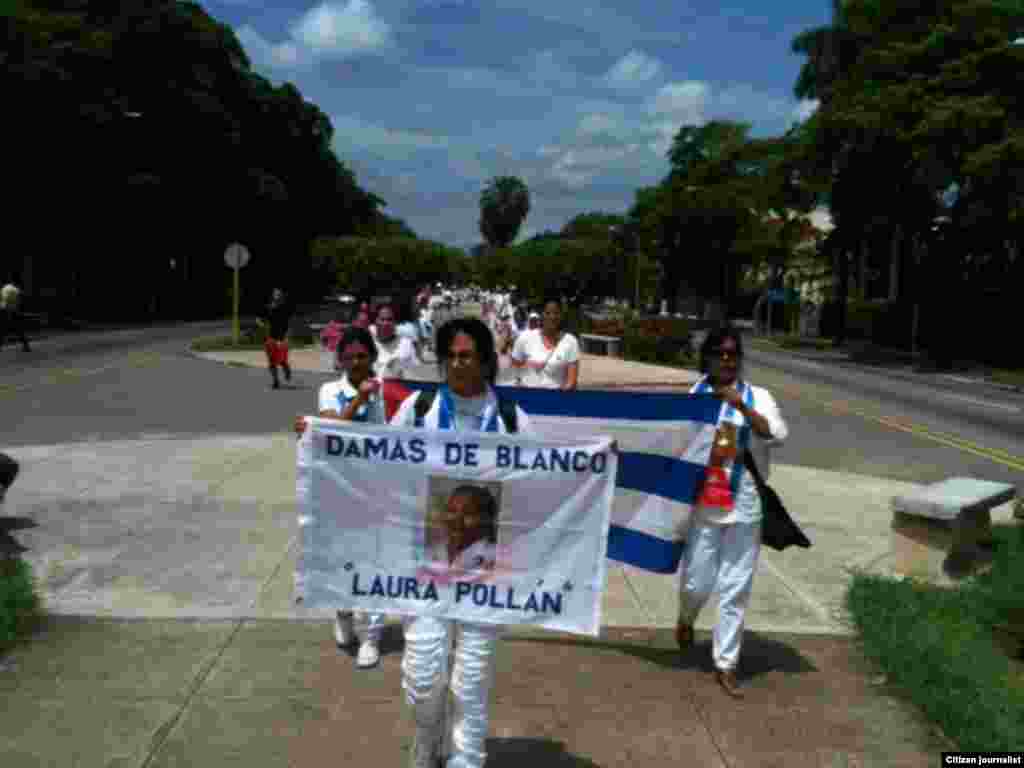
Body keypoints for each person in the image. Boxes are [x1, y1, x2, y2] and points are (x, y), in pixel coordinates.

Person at [390, 316, 533, 768]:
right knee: (423, 677)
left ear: (486, 360)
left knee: (471, 680)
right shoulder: (419, 408)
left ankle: (467, 757)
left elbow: (546, 478)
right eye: (450, 355)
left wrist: (594, 463)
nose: (456, 364)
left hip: (487, 570)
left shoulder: (512, 419)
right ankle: (428, 737)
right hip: (427, 564)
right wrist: (322, 440)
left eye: (466, 355)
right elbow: (377, 463)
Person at [676, 323, 789, 699]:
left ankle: (726, 663)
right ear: (707, 358)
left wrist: (740, 405)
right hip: (705, 503)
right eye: (719, 353)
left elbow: (776, 434)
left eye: (732, 354)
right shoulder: (695, 395)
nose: (726, 360)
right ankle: (687, 617)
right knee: (697, 581)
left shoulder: (758, 396)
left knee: (734, 588)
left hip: (745, 503)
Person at [294, 326, 389, 668]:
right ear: (341, 360)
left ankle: (372, 636)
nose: (356, 362)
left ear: (372, 357)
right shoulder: (330, 390)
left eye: (362, 355)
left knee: (375, 560)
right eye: (349, 357)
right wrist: (362, 398)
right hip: (338, 488)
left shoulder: (386, 390)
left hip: (376, 489)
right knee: (341, 559)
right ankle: (344, 615)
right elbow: (334, 426)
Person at [509, 297, 580, 390]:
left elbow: (572, 382)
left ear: (561, 315)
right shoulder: (524, 338)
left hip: (556, 401)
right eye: (548, 313)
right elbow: (513, 374)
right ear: (541, 315)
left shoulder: (571, 342)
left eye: (556, 313)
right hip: (527, 399)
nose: (552, 317)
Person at [426, 485, 498, 571]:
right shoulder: (435, 550)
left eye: (468, 513)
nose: (457, 519)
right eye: (451, 511)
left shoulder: (493, 558)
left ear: (485, 519)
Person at [374, 304, 417, 379]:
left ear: (395, 322)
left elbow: (412, 376)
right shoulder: (368, 343)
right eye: (382, 319)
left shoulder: (405, 344)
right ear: (376, 321)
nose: (386, 323)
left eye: (389, 319)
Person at [261, 288, 292, 390]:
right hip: (271, 338)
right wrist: (261, 324)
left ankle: (286, 369)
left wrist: (287, 337)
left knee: (282, 360)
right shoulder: (269, 307)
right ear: (273, 296)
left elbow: (288, 324)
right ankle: (275, 381)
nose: (277, 296)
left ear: (281, 296)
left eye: (279, 294)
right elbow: (263, 320)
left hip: (282, 338)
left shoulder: (285, 308)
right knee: (271, 361)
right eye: (275, 294)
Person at [1, 281, 31, 353]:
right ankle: (26, 345)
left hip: (5, 310)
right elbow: (19, 301)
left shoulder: (4, 288)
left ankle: (25, 345)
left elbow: (4, 299)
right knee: (18, 329)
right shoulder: (16, 290)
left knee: (3, 329)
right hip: (14, 311)